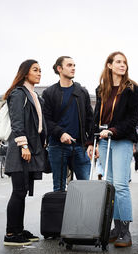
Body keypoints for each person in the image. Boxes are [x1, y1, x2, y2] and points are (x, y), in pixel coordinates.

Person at [87, 51, 138, 248]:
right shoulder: (101, 89)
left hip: (120, 140)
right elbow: (96, 118)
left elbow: (132, 120)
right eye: (118, 62)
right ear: (109, 65)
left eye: (125, 63)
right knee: (110, 184)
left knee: (121, 185)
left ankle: (125, 232)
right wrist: (90, 142)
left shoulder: (132, 90)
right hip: (103, 141)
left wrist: (113, 130)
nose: (122, 65)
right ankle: (116, 228)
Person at [3, 59, 47, 246]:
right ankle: (11, 234)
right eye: (35, 70)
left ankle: (18, 229)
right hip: (21, 149)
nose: (39, 73)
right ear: (25, 72)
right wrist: (23, 145)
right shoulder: (18, 93)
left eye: (40, 70)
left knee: (22, 191)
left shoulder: (34, 95)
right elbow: (17, 121)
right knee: (18, 191)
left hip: (31, 148)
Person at [43, 56, 93, 191]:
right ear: (59, 69)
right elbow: (46, 120)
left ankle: (83, 213)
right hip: (57, 146)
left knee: (85, 188)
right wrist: (61, 133)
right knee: (58, 189)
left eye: (74, 65)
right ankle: (60, 212)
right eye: (69, 65)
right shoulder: (49, 93)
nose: (73, 68)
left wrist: (91, 142)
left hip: (80, 146)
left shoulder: (82, 92)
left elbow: (90, 119)